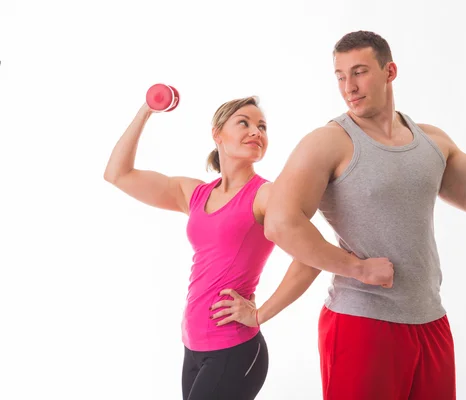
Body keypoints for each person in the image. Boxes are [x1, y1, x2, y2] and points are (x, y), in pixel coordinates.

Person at [219, 31, 466, 400]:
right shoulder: (329, 142)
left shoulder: (433, 141)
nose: (349, 87)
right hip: (362, 324)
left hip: (430, 320)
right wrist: (357, 268)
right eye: (340, 76)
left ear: (390, 71)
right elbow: (280, 223)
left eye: (359, 72)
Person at [103, 94, 388, 400]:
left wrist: (259, 314)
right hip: (193, 348)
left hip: (234, 351)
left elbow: (311, 257)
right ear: (217, 134)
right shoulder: (194, 194)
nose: (256, 132)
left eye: (262, 126)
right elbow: (117, 174)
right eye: (245, 123)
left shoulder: (265, 196)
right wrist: (147, 110)